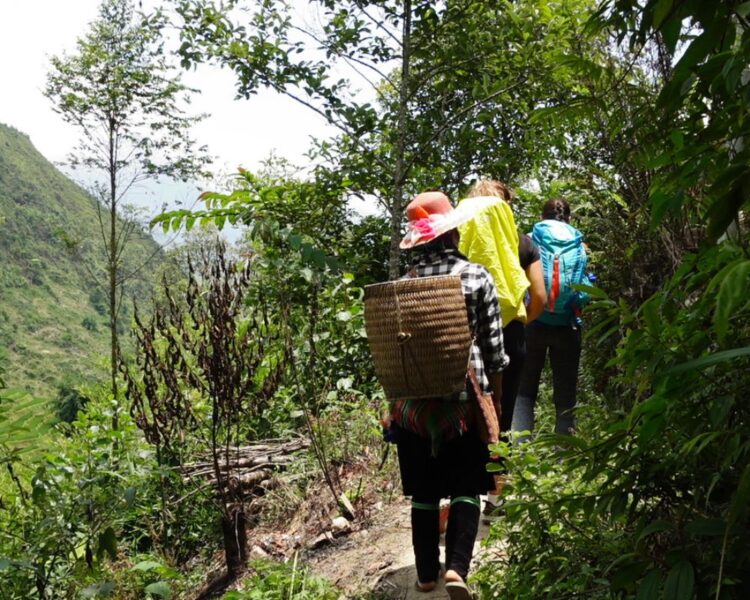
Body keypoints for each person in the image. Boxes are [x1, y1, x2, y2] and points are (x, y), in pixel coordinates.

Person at [392, 191, 508, 599]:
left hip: (412, 407)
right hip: (463, 400)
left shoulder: (400, 287)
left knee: (424, 492)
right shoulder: (476, 276)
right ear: (454, 232)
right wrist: (493, 405)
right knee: (465, 484)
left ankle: (426, 574)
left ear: (419, 241)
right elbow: (494, 351)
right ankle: (457, 568)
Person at [457, 179, 546, 516]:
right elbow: (538, 295)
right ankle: (496, 498)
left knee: (467, 415)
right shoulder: (522, 244)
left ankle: (462, 495)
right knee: (503, 416)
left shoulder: (460, 240)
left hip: (465, 335)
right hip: (511, 333)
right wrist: (522, 319)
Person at [512, 198, 588, 438]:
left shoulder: (529, 239)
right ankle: (564, 456)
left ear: (542, 217)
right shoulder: (579, 245)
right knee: (566, 394)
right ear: (569, 218)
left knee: (524, 392)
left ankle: (521, 452)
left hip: (533, 321)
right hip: (568, 325)